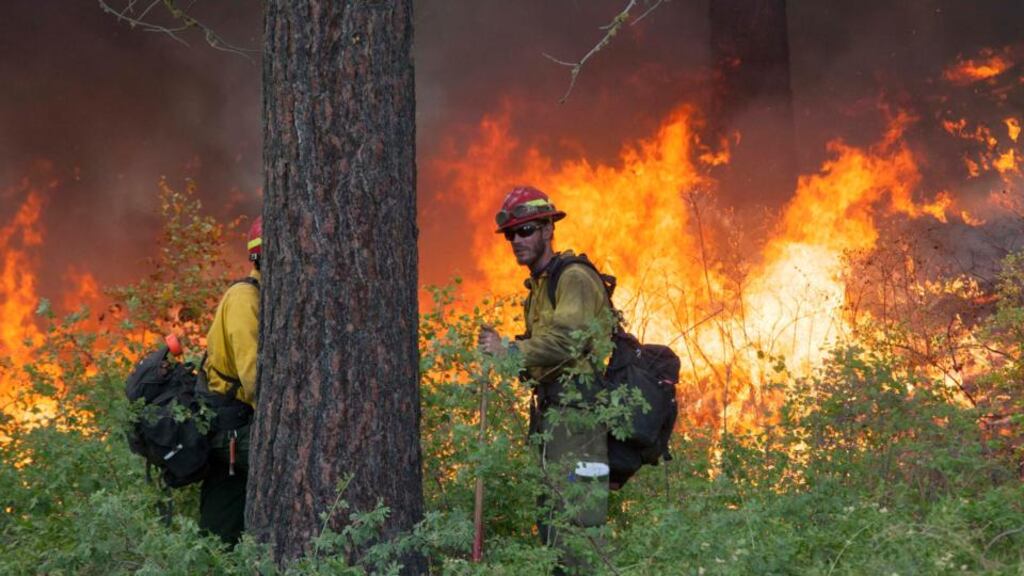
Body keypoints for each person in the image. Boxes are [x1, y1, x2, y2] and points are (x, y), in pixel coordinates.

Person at [477, 186, 613, 571]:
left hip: (579, 420)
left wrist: (510, 351)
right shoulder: (537, 289)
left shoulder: (573, 278)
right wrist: (506, 353)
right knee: (552, 527)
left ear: (549, 229)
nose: (516, 240)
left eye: (527, 230)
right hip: (551, 419)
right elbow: (541, 355)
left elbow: (568, 340)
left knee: (578, 533)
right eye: (511, 234)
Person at [197, 216, 261, 544]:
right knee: (294, 472)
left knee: (220, 525)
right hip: (232, 427)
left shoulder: (260, 295)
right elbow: (254, 380)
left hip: (234, 423)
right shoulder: (245, 300)